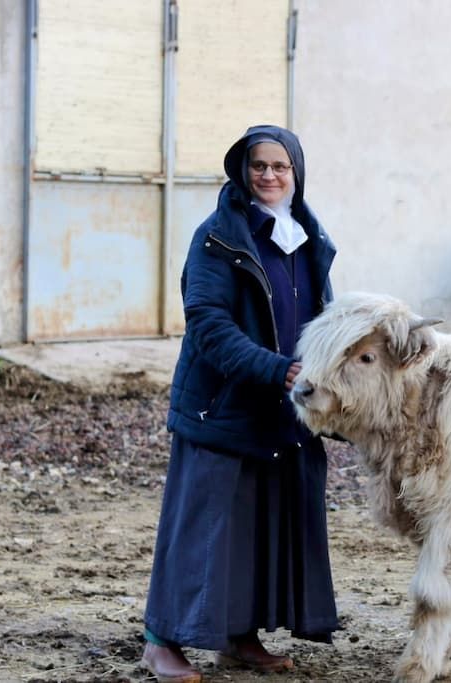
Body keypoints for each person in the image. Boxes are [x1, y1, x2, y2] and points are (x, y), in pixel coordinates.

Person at [141, 125, 339, 682]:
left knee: (258, 525)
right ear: (242, 171)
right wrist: (278, 370)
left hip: (282, 408)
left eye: (280, 166)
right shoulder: (217, 238)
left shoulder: (305, 236)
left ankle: (239, 636)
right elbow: (208, 324)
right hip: (222, 405)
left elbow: (322, 317)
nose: (269, 176)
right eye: (259, 166)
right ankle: (160, 640)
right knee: (201, 524)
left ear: (296, 173)